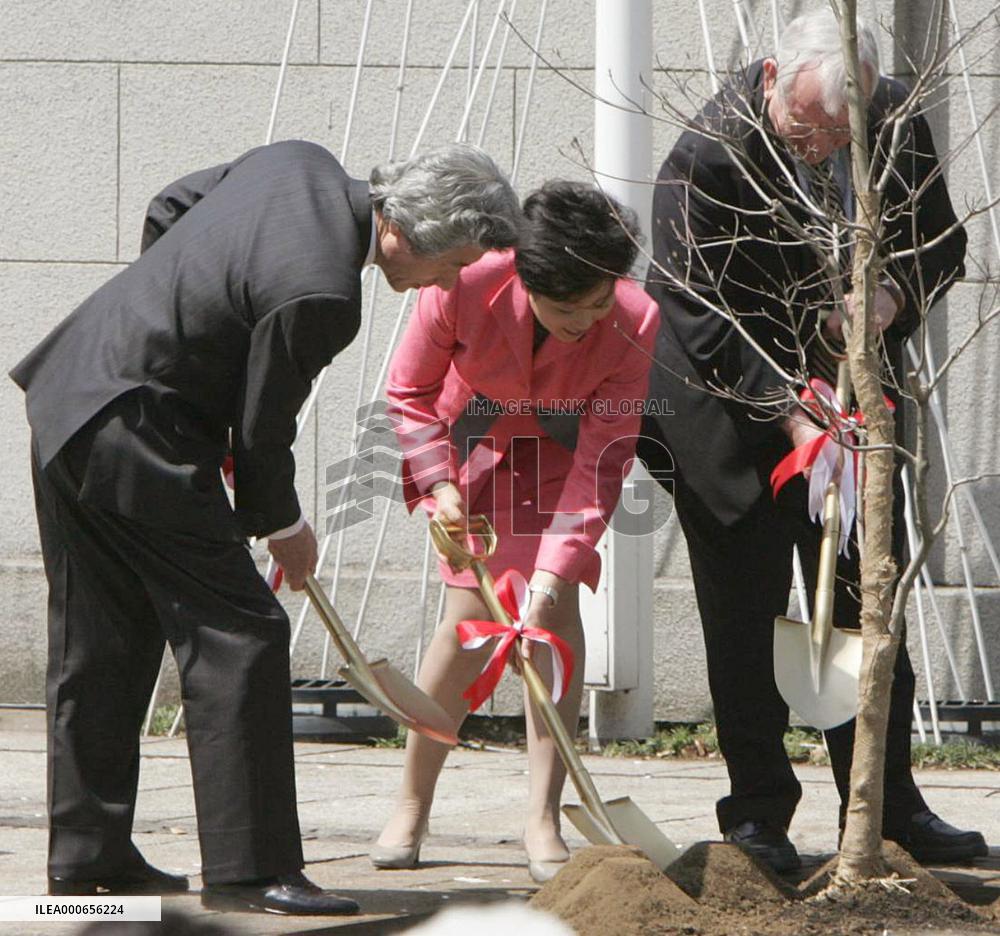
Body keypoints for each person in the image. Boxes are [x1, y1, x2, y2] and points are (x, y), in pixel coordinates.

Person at [12, 139, 521, 914]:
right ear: (403, 234)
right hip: (140, 429)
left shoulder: (297, 164)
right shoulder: (322, 292)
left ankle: (87, 858)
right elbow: (261, 426)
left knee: (101, 636)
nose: (445, 283)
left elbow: (170, 206)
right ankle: (251, 873)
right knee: (241, 632)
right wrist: (282, 524)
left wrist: (172, 324)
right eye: (450, 265)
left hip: (71, 394)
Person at [638, 9, 987, 871]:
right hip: (730, 418)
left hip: (853, 411)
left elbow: (942, 242)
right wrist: (791, 409)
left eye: (841, 133)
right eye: (806, 127)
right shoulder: (708, 154)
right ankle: (757, 812)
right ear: (770, 79)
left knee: (869, 608)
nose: (822, 147)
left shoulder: (894, 119)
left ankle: (886, 805)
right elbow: (699, 317)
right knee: (747, 621)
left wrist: (893, 299)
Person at [372, 181, 657, 882]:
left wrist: (558, 569)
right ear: (528, 278)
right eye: (568, 307)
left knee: (552, 619)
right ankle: (412, 799)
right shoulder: (463, 281)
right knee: (469, 618)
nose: (587, 320)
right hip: (473, 450)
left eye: (599, 301)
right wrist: (437, 483)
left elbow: (609, 450)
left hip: (563, 461)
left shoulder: (634, 317)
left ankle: (542, 814)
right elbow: (408, 390)